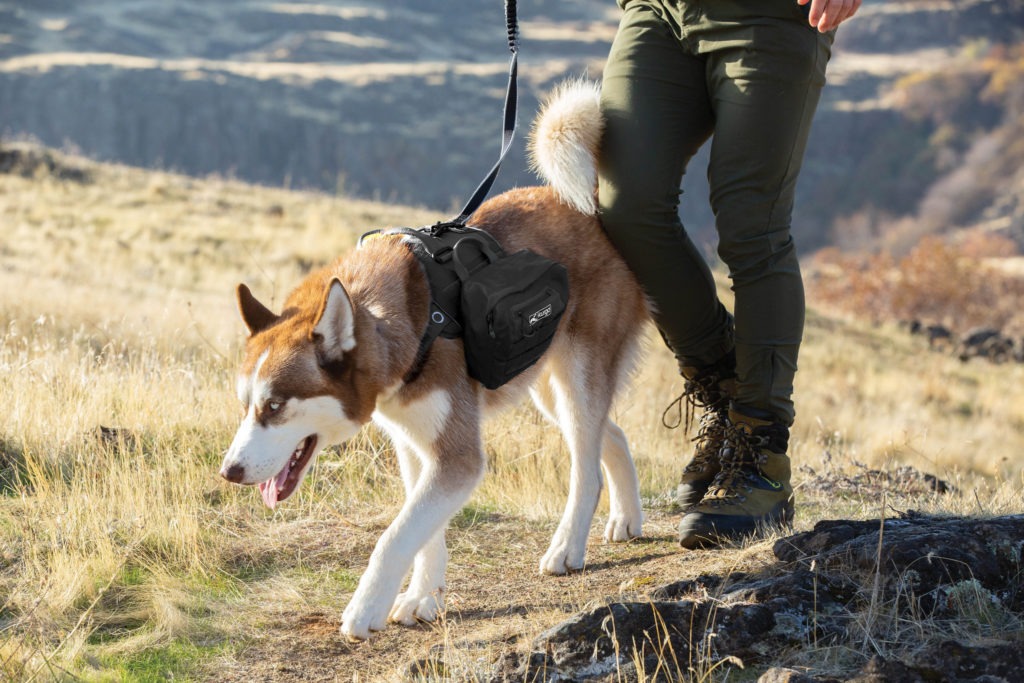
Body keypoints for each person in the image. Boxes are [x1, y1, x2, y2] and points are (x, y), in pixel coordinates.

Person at [596, 0, 860, 548]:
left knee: (751, 225)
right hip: (660, 11)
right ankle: (727, 392)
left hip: (772, 15)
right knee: (625, 207)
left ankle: (761, 456)